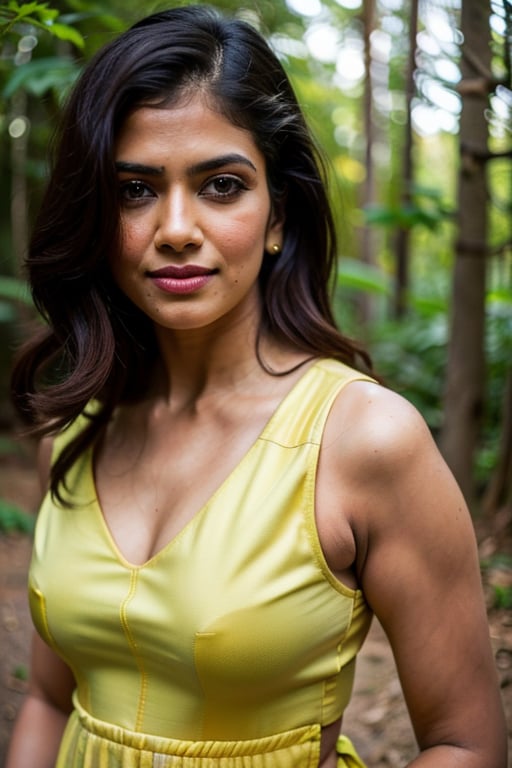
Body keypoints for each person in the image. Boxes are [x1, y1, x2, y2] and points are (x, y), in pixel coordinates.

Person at [5, 5, 507, 767]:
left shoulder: (366, 439)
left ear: (277, 215)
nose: (175, 226)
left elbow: (468, 745)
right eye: (136, 190)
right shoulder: (73, 432)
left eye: (222, 185)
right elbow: (47, 697)